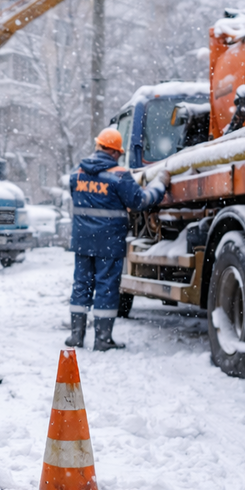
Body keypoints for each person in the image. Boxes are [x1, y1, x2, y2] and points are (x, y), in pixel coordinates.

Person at [66, 127, 170, 351]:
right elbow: (140, 201)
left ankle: (76, 336)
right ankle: (103, 339)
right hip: (108, 243)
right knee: (106, 287)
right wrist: (160, 184)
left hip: (83, 241)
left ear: (98, 146)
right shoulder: (119, 175)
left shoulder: (76, 174)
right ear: (115, 152)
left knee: (81, 285)